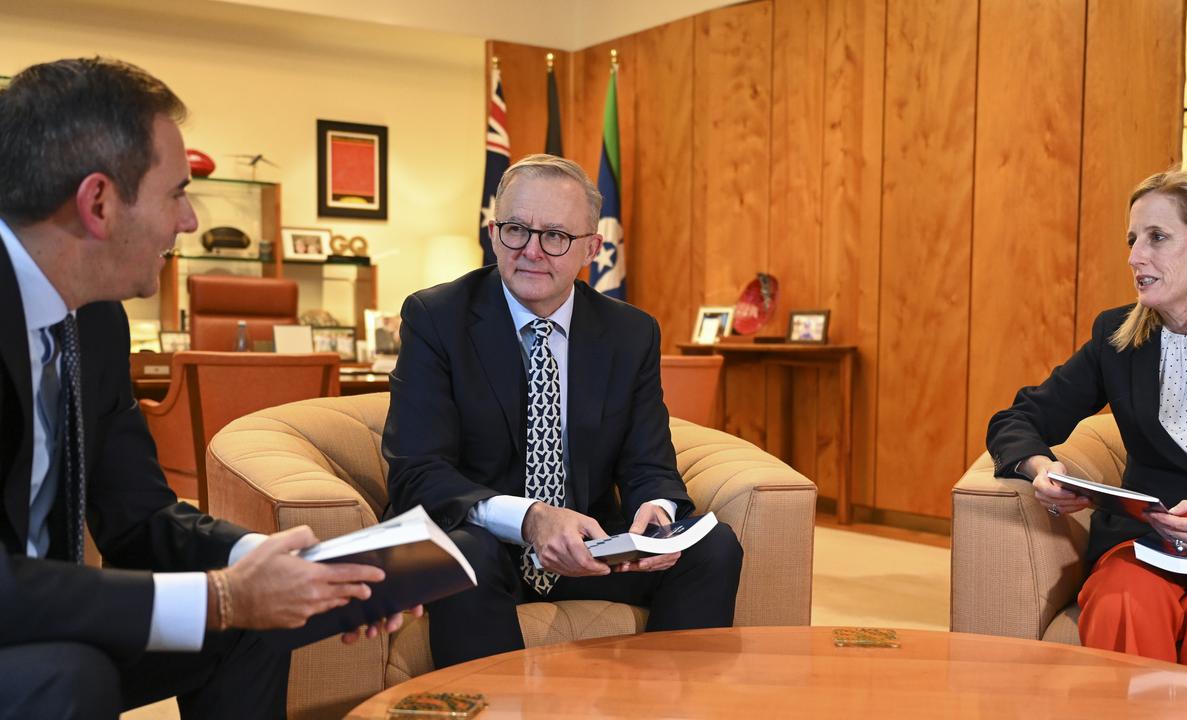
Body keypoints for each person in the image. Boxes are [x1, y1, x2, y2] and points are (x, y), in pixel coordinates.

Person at [0, 57, 415, 719]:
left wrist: (289, 565)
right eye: (176, 194)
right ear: (99, 203)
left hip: (48, 606)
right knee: (67, 676)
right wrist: (221, 596)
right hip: (28, 625)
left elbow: (139, 518)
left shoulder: (96, 319)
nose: (189, 222)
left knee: (260, 620)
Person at [383, 154, 743, 668]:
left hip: (588, 550)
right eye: (515, 229)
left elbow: (649, 464)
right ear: (492, 232)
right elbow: (417, 473)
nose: (531, 250)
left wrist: (655, 518)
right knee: (472, 551)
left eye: (554, 236)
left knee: (714, 548)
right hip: (476, 541)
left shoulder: (629, 332)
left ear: (592, 249)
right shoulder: (435, 318)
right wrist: (531, 519)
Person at [987, 169, 1187, 685]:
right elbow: (1018, 418)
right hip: (1146, 540)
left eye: (1157, 238)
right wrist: (1041, 468)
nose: (1134, 256)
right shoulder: (1117, 337)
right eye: (1132, 239)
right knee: (1123, 602)